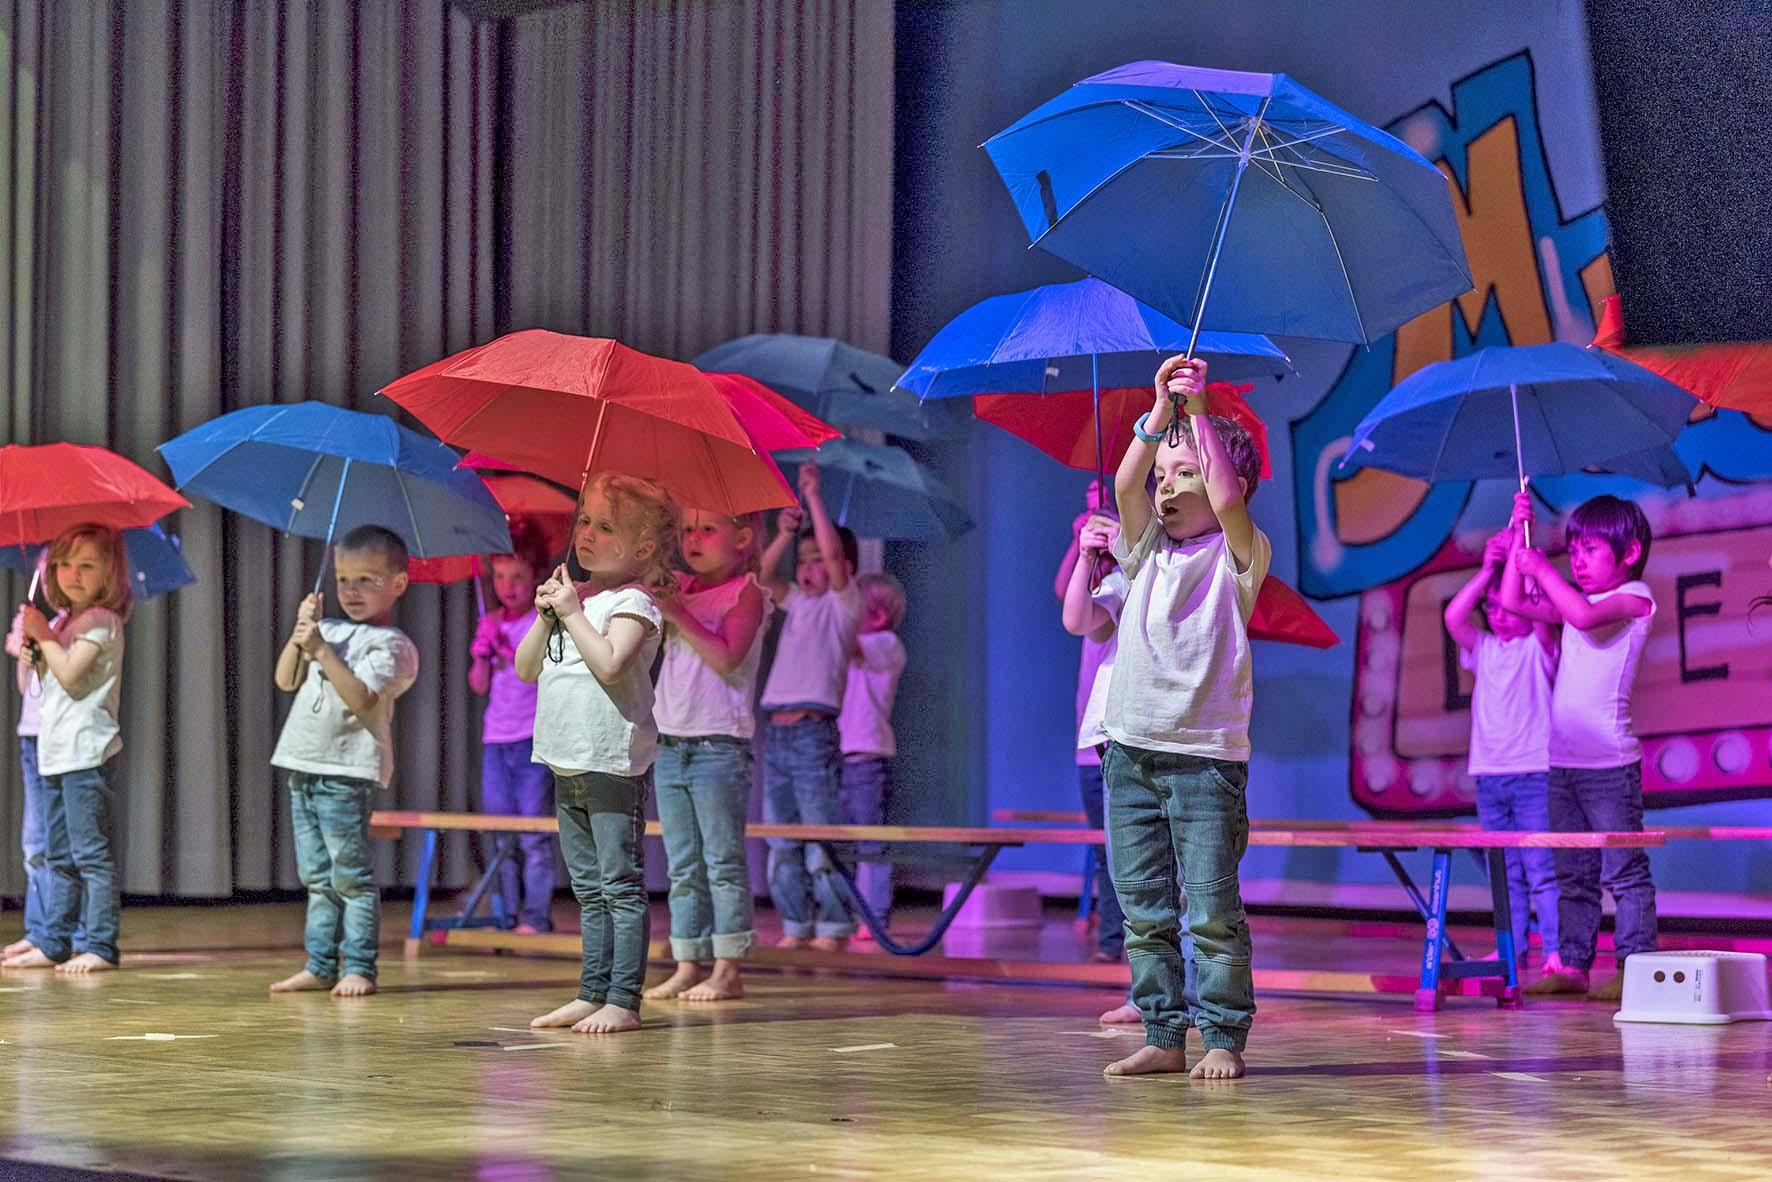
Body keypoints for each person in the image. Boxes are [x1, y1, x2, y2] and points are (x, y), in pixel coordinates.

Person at [1100, 355, 1269, 1081]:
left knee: (1210, 910)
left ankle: (1222, 1034)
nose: (1166, 485)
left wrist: (1199, 417)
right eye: (1165, 474)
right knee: (1144, 911)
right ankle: (1164, 1033)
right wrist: (1156, 419)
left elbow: (1229, 500)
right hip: (1129, 752)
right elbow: (1122, 482)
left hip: (1204, 760)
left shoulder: (1239, 555)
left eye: (1185, 474)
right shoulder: (1145, 552)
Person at [522, 473, 676, 1035]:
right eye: (584, 519)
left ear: (641, 550)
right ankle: (591, 990)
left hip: (611, 761)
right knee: (587, 888)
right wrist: (548, 617)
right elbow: (524, 668)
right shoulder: (576, 599)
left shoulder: (636, 603)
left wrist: (572, 613)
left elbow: (610, 663)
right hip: (566, 759)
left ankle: (623, 999)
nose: (586, 532)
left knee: (619, 883)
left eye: (604, 526)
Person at [1504, 493, 1658, 1003]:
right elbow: (1513, 602)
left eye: (1591, 550)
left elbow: (1585, 618)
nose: (1578, 561)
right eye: (1573, 551)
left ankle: (1635, 965)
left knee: (1624, 872)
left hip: (1610, 765)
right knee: (1574, 872)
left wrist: (1540, 567)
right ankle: (1573, 965)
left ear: (1630, 551)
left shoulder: (1636, 597)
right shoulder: (1575, 602)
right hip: (1563, 764)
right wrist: (1515, 537)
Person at [268, 525, 419, 998]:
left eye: (367, 580)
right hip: (304, 765)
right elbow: (285, 680)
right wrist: (301, 635)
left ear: (397, 584)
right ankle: (319, 963)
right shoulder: (326, 630)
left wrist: (322, 651)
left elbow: (362, 699)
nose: (352, 592)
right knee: (315, 876)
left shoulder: (392, 645)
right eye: (343, 580)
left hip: (346, 773)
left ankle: (359, 966)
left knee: (349, 876)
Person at [647, 507, 772, 1002]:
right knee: (682, 864)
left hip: (718, 743)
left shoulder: (747, 593)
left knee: (721, 860)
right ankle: (687, 961)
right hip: (671, 742)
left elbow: (726, 657)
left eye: (707, 529)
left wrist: (678, 613)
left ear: (741, 538)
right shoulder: (678, 584)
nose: (692, 538)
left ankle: (728, 968)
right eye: (687, 528)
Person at [2, 526, 132, 973]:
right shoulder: (62, 623)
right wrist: (31, 651)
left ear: (108, 573)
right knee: (57, 856)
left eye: (87, 565)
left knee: (90, 854)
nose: (72, 574)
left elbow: (73, 675)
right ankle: (53, 941)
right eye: (64, 564)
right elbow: (35, 686)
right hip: (54, 753)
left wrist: (46, 637)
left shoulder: (101, 622)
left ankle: (99, 945)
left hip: (86, 755)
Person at [1443, 524, 1560, 969]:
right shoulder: (1484, 649)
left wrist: (1518, 555)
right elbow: (1455, 617)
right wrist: (1488, 567)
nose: (1500, 613)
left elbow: (1528, 606)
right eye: (1491, 607)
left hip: (1533, 773)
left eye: (1505, 606)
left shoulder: (1537, 646)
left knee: (1541, 869)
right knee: (1505, 872)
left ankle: (1553, 953)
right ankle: (1513, 950)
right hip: (1490, 776)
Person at [757, 464, 863, 951]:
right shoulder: (797, 601)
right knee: (781, 836)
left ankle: (835, 923)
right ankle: (796, 922)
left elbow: (838, 556)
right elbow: (761, 579)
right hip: (776, 732)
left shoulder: (843, 605)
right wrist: (783, 535)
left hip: (812, 732)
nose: (808, 565)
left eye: (819, 558)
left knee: (821, 831)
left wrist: (815, 499)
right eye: (804, 558)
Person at [468, 523, 556, 933]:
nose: (508, 586)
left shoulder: (541, 622)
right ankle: (506, 914)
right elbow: (479, 685)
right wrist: (482, 653)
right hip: (496, 740)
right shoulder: (492, 623)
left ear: (535, 578)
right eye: (500, 576)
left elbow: (536, 673)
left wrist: (509, 650)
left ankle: (536, 916)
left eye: (518, 577)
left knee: (533, 837)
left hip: (532, 741)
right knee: (501, 835)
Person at [1057, 493, 1130, 967]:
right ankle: (1112, 946)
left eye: (1103, 502)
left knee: (1145, 863)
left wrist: (1121, 543)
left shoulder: (1146, 571)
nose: (1094, 509)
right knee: (1109, 853)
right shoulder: (1109, 582)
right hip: (1098, 742)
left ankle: (1161, 975)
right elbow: (1073, 611)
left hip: (1139, 737)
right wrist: (1083, 550)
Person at [836, 571, 908, 935]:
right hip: (844, 753)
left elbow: (848, 641)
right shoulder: (861, 646)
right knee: (846, 841)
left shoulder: (886, 643)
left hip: (867, 755)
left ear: (878, 615)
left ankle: (874, 915)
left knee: (871, 840)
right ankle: (849, 911)